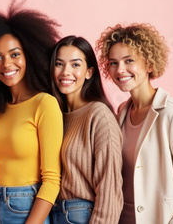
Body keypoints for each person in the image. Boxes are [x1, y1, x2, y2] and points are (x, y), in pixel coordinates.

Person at [96, 23, 173, 224]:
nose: (120, 69)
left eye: (129, 61)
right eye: (113, 63)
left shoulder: (172, 114)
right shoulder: (120, 114)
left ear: (150, 64)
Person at [0, 0, 62, 224]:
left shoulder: (44, 104)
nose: (6, 64)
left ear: (30, 54)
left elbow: (51, 181)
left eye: (14, 54)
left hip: (26, 208)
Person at [49, 35, 123, 223]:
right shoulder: (54, 115)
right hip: (54, 213)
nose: (66, 72)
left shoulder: (99, 115)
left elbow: (110, 191)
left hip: (82, 216)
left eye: (75, 65)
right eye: (59, 64)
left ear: (89, 72)